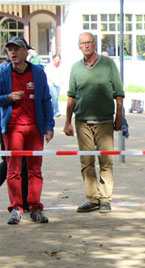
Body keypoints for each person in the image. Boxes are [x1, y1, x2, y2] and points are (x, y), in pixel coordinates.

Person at [65, 32, 124, 213]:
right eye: (83, 43)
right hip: (82, 121)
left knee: (106, 161)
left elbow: (119, 93)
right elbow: (71, 96)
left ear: (95, 44)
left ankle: (105, 199)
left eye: (89, 42)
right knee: (86, 161)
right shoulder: (75, 68)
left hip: (105, 121)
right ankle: (92, 199)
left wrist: (119, 117)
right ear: (79, 46)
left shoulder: (109, 64)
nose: (86, 45)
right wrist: (67, 121)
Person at [0, 37, 55, 224]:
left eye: (16, 49)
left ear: (26, 52)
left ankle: (35, 207)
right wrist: (7, 97)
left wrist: (49, 127)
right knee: (13, 170)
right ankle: (16, 208)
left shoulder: (38, 72)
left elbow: (46, 100)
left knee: (35, 170)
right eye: (10, 50)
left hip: (34, 128)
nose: (12, 53)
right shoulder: (3, 72)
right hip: (12, 128)